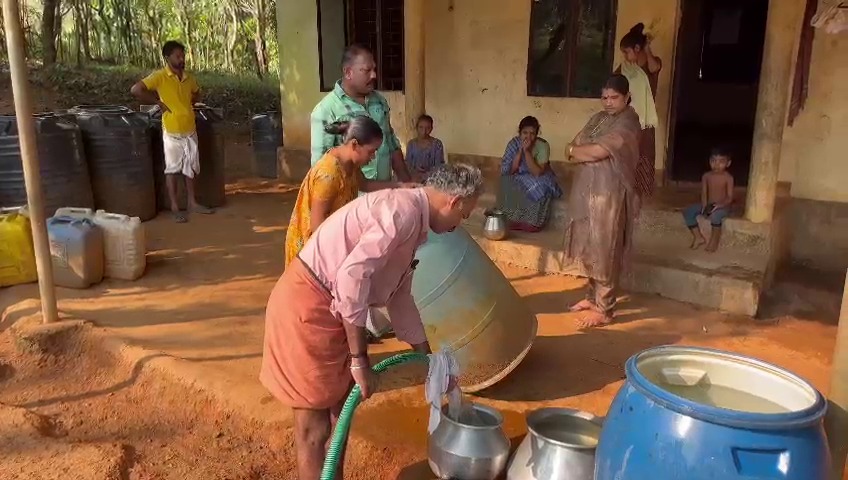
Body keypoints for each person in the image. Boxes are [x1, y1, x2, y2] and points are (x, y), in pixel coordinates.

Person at [260, 163, 482, 479]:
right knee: (315, 428)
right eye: (465, 215)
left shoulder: (414, 221)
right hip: (308, 307)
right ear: (454, 202)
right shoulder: (402, 212)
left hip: (336, 310)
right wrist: (358, 359)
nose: (461, 223)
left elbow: (399, 297)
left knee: (341, 416)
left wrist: (429, 359)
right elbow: (352, 278)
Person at [285, 115, 417, 268]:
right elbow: (317, 226)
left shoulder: (350, 163)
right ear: (354, 144)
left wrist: (400, 187)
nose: (373, 157)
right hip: (312, 250)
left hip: (331, 238)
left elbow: (365, 185)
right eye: (371, 151)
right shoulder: (328, 175)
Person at [563, 74, 642, 328]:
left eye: (614, 97)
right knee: (589, 242)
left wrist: (577, 152)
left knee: (605, 245)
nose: (608, 102)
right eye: (604, 97)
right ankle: (591, 297)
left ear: (627, 97)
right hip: (588, 191)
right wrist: (580, 150)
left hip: (610, 193)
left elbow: (593, 150)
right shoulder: (598, 118)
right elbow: (575, 142)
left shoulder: (628, 122)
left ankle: (605, 309)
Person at [131, 40, 214, 223]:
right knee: (173, 169)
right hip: (172, 130)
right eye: (177, 56)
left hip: (190, 128)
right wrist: (158, 102)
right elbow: (136, 89)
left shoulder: (188, 78)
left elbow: (197, 92)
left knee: (190, 167)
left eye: (182, 55)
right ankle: (175, 207)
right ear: (167, 58)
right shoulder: (160, 77)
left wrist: (190, 103)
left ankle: (192, 203)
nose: (181, 58)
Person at [311, 44, 412, 184]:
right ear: (348, 72)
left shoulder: (379, 101)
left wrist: (407, 183)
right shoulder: (326, 110)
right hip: (352, 200)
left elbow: (391, 144)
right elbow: (320, 167)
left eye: (374, 69)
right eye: (367, 70)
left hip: (383, 194)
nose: (374, 75)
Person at [618, 23, 662, 199]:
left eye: (627, 52)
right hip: (628, 119)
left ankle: (642, 192)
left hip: (645, 119)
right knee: (628, 152)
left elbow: (654, 67)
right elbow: (614, 85)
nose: (626, 57)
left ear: (637, 48)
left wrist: (647, 48)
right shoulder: (625, 69)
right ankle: (627, 188)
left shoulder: (651, 65)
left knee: (645, 153)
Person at [497, 116, 563, 232]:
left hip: (539, 176)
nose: (528, 137)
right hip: (519, 175)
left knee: (539, 186)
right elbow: (509, 171)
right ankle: (513, 220)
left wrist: (526, 151)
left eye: (532, 133)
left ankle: (533, 223)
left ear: (537, 134)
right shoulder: (514, 144)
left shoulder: (543, 146)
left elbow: (537, 172)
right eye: (525, 133)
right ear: (519, 133)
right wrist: (520, 152)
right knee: (506, 182)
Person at [683, 147, 734, 252]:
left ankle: (714, 241)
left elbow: (729, 197)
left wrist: (719, 205)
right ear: (709, 161)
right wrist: (704, 206)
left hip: (723, 206)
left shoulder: (728, 178)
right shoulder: (706, 176)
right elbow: (704, 192)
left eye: (721, 162)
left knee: (715, 216)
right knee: (688, 211)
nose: (716, 164)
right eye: (713, 161)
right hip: (708, 204)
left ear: (728, 163)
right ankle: (698, 237)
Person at [405, 114, 446, 182]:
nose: (424, 131)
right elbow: (408, 164)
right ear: (416, 128)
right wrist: (415, 170)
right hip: (414, 179)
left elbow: (439, 166)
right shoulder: (411, 144)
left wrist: (426, 175)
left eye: (428, 128)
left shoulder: (437, 144)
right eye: (421, 127)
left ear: (431, 128)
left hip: (432, 179)